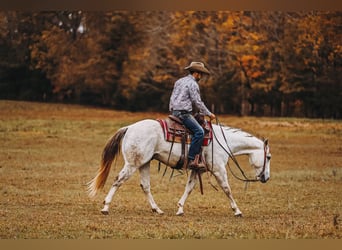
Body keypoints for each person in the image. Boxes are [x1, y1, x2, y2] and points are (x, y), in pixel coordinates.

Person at [169, 61, 216, 170]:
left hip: (174, 112)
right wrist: (209, 114)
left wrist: (172, 110)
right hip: (183, 114)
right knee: (200, 132)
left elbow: (172, 97)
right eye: (201, 74)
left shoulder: (179, 81)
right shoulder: (193, 84)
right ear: (196, 73)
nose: (201, 76)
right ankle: (191, 160)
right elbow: (197, 102)